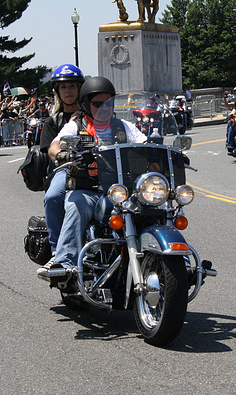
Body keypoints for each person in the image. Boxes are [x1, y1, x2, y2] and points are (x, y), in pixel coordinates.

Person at [40, 76, 146, 287]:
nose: (105, 108)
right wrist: (60, 154)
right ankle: (64, 262)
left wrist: (166, 152)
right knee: (76, 206)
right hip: (87, 189)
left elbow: (144, 143)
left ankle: (173, 258)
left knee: (153, 206)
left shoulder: (124, 126)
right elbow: (54, 146)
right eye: (98, 104)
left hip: (119, 191)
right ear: (87, 104)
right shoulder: (75, 127)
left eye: (109, 103)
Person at [37, 64, 85, 274]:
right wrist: (62, 155)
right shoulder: (53, 122)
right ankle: (58, 253)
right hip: (64, 170)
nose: (68, 91)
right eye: (63, 87)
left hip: (94, 168)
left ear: (80, 89)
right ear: (57, 91)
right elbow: (50, 150)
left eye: (72, 86)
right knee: (53, 197)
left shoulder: (91, 116)